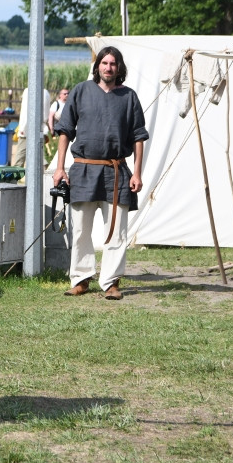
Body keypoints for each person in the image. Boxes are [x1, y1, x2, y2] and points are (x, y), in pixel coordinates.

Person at [52, 46, 148, 300]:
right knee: (81, 229)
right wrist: (60, 168)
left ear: (119, 68)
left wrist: (137, 173)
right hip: (83, 169)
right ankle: (81, 278)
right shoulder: (81, 91)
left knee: (117, 231)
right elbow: (65, 130)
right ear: (98, 67)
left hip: (115, 171)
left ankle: (111, 282)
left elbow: (138, 137)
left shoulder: (129, 97)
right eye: (104, 63)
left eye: (113, 63)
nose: (108, 67)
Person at [13, 86, 51, 168]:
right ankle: (44, 174)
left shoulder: (27, 91)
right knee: (40, 155)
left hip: (26, 131)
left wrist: (22, 129)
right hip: (41, 128)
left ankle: (13, 179)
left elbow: (26, 115)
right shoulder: (46, 93)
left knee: (20, 158)